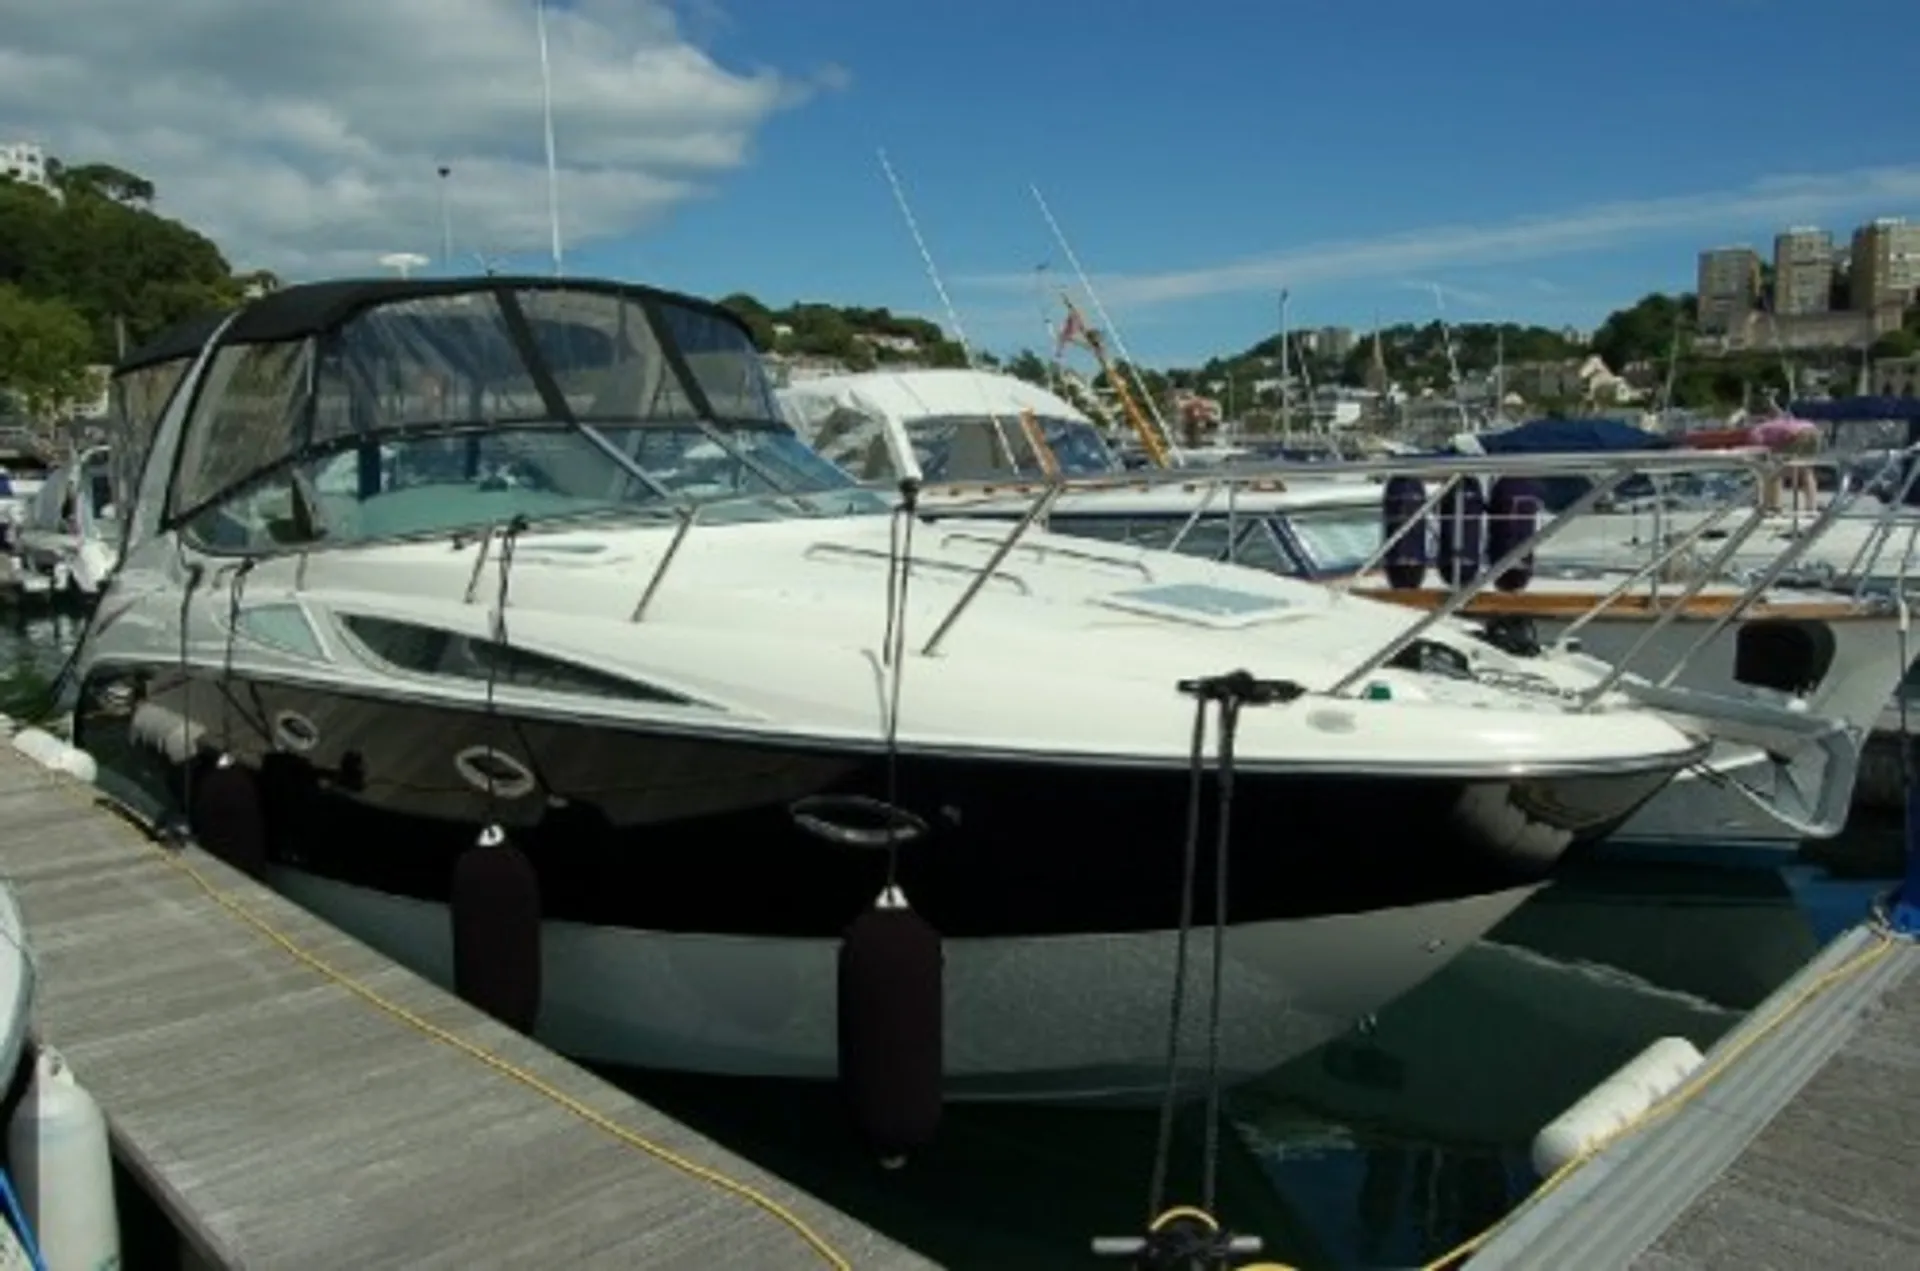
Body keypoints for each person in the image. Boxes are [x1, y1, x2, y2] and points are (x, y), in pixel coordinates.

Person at [1747, 415, 1821, 513]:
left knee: (1772, 474)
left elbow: (1766, 451)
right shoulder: (1771, 426)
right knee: (1806, 470)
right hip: (1811, 429)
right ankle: (1811, 506)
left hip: (1797, 434)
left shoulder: (1756, 433)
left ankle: (1772, 504)